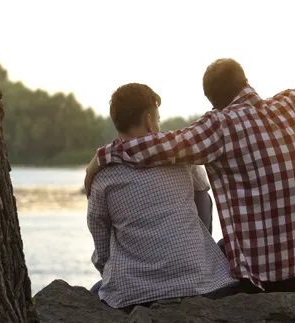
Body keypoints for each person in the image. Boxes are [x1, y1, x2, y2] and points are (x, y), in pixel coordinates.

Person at [85, 51, 295, 293]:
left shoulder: (218, 127)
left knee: (210, 254)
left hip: (259, 277)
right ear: (246, 82)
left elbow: (161, 147)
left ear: (213, 102)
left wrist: (103, 157)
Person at [86, 83, 239, 313]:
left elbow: (100, 237)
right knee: (202, 196)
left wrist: (109, 271)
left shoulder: (102, 176)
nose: (157, 125)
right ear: (149, 120)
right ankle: (194, 253)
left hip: (132, 292)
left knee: (94, 293)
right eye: (157, 119)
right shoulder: (178, 154)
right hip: (197, 280)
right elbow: (203, 198)